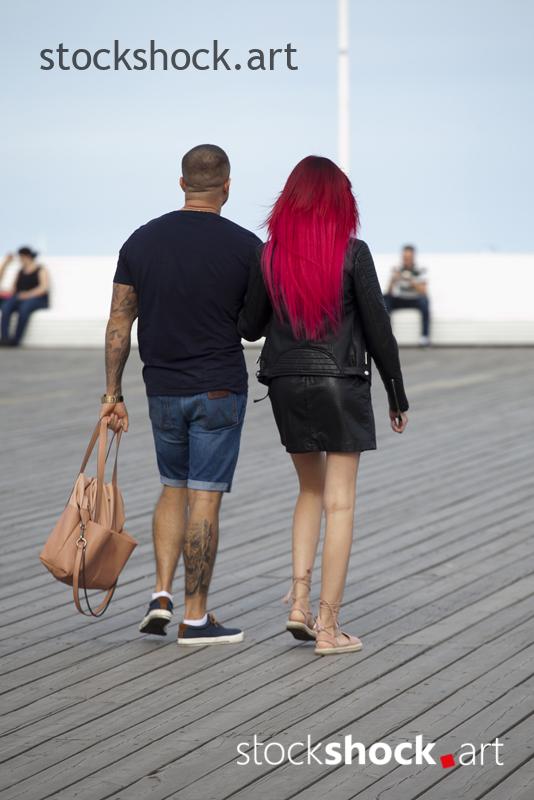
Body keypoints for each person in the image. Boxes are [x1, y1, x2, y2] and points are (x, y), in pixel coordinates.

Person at [238, 155, 409, 656]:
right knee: (341, 501)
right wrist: (396, 394)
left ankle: (299, 603)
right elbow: (379, 329)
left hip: (287, 383)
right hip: (341, 383)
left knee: (309, 491)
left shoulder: (269, 256)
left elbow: (249, 325)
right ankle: (329, 629)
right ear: (341, 202)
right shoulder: (353, 253)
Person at [99, 144, 261, 645]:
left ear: (182, 183)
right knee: (204, 498)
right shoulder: (248, 247)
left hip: (162, 388)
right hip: (218, 388)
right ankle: (196, 617)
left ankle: (161, 595)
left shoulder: (142, 241)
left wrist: (112, 394)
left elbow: (118, 325)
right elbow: (254, 328)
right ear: (227, 187)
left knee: (172, 486)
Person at [0, 247, 50, 346]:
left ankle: (16, 340)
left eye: (21, 257)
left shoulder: (40, 269)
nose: (20, 260)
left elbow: (43, 288)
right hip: (20, 298)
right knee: (6, 307)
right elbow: (14, 289)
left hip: (37, 298)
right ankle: (5, 338)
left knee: (24, 308)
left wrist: (27, 295)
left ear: (27, 257)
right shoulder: (20, 271)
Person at [383, 245, 430, 346]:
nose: (406, 260)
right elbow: (389, 291)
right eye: (405, 258)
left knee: (425, 300)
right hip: (401, 298)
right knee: (385, 298)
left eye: (409, 258)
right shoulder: (397, 269)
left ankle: (424, 337)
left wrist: (412, 281)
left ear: (413, 257)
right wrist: (393, 279)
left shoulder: (420, 270)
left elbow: (423, 291)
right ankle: (386, 336)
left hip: (415, 299)